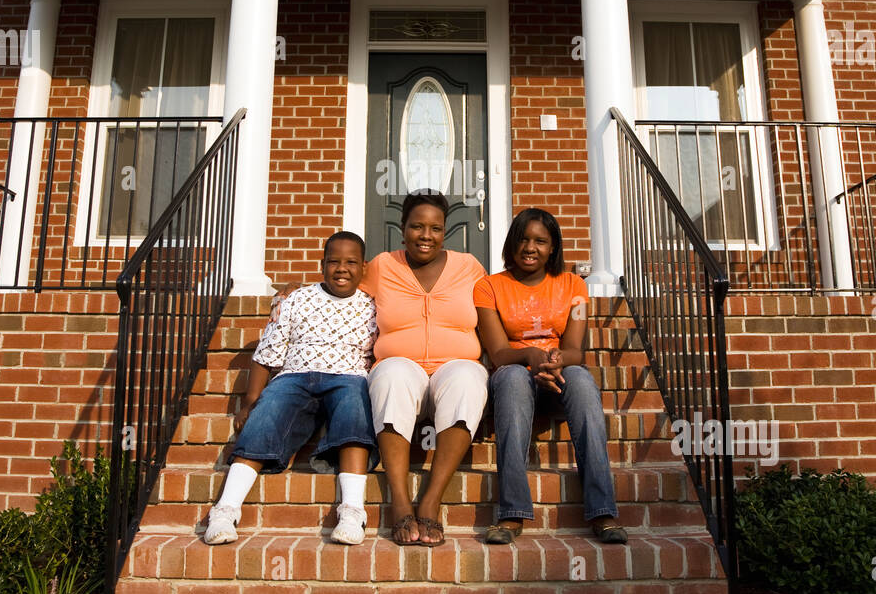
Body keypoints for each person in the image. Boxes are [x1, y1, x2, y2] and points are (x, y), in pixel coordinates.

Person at [201, 231, 378, 546]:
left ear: (363, 267)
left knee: (354, 408)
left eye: (351, 262)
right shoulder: (295, 299)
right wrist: (251, 401)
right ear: (321, 265)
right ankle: (225, 510)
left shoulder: (373, 308)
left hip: (347, 377)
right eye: (334, 261)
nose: (342, 269)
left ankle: (352, 509)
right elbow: (267, 354)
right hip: (295, 376)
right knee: (268, 413)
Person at [474, 208, 626, 544]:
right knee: (512, 378)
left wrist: (555, 361)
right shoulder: (488, 287)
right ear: (511, 244)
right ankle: (512, 511)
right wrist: (531, 356)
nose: (530, 247)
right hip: (514, 371)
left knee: (583, 381)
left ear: (553, 247)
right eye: (524, 239)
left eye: (540, 241)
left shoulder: (575, 286)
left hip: (558, 372)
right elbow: (498, 353)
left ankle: (603, 510)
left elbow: (575, 349)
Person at [361, 190, 488, 546]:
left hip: (454, 367)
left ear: (445, 230)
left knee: (468, 377)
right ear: (402, 229)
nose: (426, 235)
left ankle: (430, 500)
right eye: (417, 226)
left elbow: (495, 305)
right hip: (404, 368)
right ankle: (400, 502)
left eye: (435, 228)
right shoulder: (384, 266)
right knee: (392, 373)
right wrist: (293, 291)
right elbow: (340, 288)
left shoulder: (469, 267)